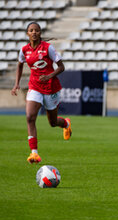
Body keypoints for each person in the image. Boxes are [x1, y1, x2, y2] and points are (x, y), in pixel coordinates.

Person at [11, 22, 72, 164]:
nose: (34, 33)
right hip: (35, 87)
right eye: (31, 30)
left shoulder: (48, 48)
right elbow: (20, 65)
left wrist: (49, 76)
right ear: (27, 33)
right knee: (30, 117)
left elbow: (61, 67)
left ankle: (65, 124)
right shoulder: (24, 50)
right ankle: (34, 154)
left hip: (51, 88)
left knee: (52, 122)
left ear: (40, 33)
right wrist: (16, 84)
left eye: (36, 30)